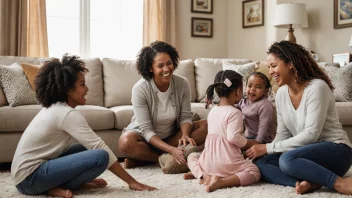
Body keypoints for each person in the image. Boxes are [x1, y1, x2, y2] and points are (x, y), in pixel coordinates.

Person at [11, 54, 156, 198]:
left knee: (84, 148)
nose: (87, 89)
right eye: (82, 84)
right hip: (29, 179)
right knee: (101, 156)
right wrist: (132, 182)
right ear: (68, 89)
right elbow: (99, 147)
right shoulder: (66, 114)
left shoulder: (56, 108)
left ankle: (54, 186)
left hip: (26, 176)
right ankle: (53, 187)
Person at [246, 41, 352, 195]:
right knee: (261, 162)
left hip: (336, 151)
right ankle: (310, 182)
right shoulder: (281, 93)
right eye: (269, 67)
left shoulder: (317, 88)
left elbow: (311, 134)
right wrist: (267, 152)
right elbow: (282, 134)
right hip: (305, 155)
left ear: (290, 64)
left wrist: (267, 147)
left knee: (287, 160)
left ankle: (338, 183)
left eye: (274, 66)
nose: (271, 72)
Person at [118, 41, 208, 169]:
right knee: (125, 142)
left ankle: (144, 160)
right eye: (160, 66)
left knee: (205, 126)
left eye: (169, 63)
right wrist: (171, 150)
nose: (166, 69)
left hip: (171, 136)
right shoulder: (140, 89)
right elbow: (146, 130)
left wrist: (185, 135)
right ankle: (163, 159)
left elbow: (185, 116)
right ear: (150, 68)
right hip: (146, 139)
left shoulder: (182, 84)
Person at [184, 70, 260, 192]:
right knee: (254, 171)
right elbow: (233, 137)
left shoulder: (213, 111)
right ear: (238, 91)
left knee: (192, 157)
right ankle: (222, 181)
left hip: (208, 162)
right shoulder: (235, 113)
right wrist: (250, 143)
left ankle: (202, 175)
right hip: (227, 163)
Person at [238, 72, 276, 144]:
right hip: (248, 137)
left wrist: (257, 143)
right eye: (249, 86)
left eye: (258, 87)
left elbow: (263, 127)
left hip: (264, 140)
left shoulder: (265, 105)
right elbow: (232, 107)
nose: (252, 89)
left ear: (266, 91)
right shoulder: (243, 102)